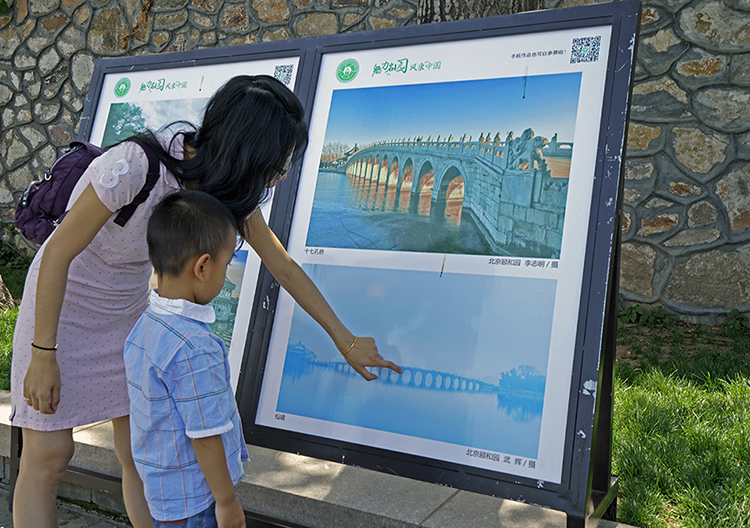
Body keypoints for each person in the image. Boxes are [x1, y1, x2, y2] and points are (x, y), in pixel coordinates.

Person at [11, 75, 402, 528]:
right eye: (274, 164)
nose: (276, 176)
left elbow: (284, 268)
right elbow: (57, 253)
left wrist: (346, 340)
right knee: (49, 457)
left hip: (131, 317)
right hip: (64, 308)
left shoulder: (225, 190)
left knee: (141, 454)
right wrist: (43, 353)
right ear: (246, 151)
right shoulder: (136, 165)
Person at [125, 191, 247, 528]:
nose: (226, 274)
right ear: (203, 267)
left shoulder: (145, 324)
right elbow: (205, 435)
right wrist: (227, 502)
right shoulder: (196, 346)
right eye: (226, 264)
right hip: (198, 500)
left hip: (164, 493)